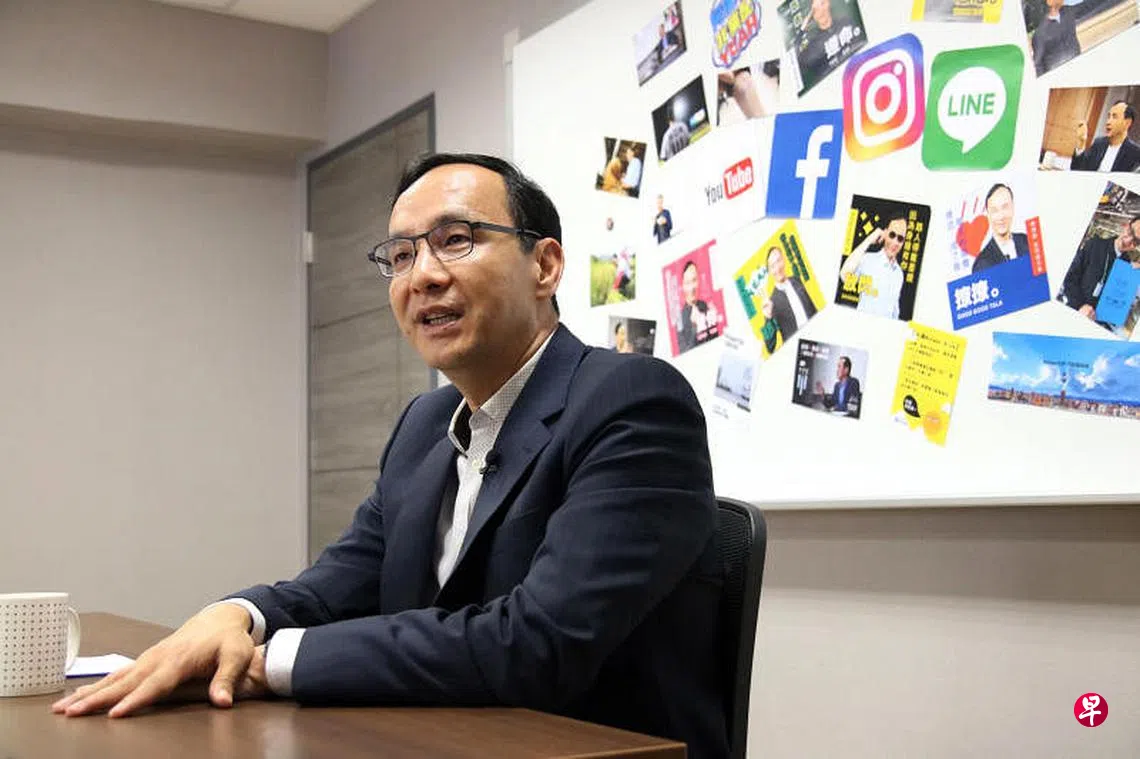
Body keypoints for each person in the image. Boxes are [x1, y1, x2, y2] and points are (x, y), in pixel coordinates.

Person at [53, 153, 728, 758]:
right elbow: (338, 585)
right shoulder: (424, 424)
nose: (422, 276)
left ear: (544, 266)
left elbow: (537, 643)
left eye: (455, 240)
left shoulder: (631, 401)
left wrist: (268, 663)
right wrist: (233, 617)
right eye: (401, 256)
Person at [1059, 214, 1140, 321]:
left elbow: (1120, 302)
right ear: (1126, 225)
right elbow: (1070, 277)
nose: (1128, 240)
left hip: (1097, 322)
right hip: (1073, 311)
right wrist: (1080, 305)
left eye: (1136, 241)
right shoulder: (1094, 245)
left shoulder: (1128, 267)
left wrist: (1134, 278)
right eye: (1130, 232)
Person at [839, 212, 907, 319]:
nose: (895, 242)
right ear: (885, 233)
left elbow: (895, 309)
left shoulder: (899, 274)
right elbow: (844, 275)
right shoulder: (868, 260)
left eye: (900, 238)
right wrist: (869, 239)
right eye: (892, 235)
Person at [760, 246, 817, 354]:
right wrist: (768, 318)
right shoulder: (771, 303)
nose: (777, 268)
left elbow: (813, 308)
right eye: (772, 266)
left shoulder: (797, 280)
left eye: (778, 260)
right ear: (770, 271)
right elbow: (769, 347)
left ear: (784, 259)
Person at [972, 183, 1030, 274]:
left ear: (1012, 208)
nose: (1001, 216)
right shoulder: (981, 264)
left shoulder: (1027, 241)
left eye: (1005, 207)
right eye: (994, 210)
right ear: (988, 215)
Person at [1071, 101, 1140, 173]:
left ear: (1127, 123)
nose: (1108, 122)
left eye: (1114, 117)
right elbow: (1078, 170)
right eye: (1109, 117)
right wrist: (1081, 142)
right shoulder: (1098, 144)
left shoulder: (1135, 153)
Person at [676, 260, 720, 352]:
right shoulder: (680, 318)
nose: (692, 287)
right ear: (683, 286)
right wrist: (694, 327)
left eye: (694, 280)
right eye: (688, 283)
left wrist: (715, 322)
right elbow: (685, 353)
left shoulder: (704, 305)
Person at [1031, 0, 1080, 76]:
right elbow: (1037, 64)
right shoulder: (1040, 32)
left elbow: (1088, 6)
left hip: (1077, 67)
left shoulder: (1068, 12)